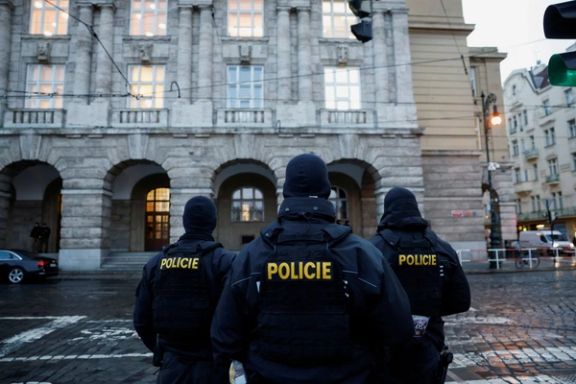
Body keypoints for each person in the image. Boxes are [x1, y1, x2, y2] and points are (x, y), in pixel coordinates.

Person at [211, 153, 414, 384]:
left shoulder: (251, 255)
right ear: (326, 191)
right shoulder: (363, 253)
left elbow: (225, 335)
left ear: (286, 191)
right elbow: (399, 329)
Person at [369, 187, 471, 384]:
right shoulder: (442, 248)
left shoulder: (374, 248)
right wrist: (429, 310)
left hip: (386, 348)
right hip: (429, 344)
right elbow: (461, 301)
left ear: (387, 209)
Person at [134, 196, 235, 384]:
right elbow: (237, 318)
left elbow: (141, 321)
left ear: (184, 222)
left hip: (171, 365)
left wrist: (162, 351)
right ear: (213, 222)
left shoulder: (156, 263)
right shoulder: (225, 261)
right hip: (212, 365)